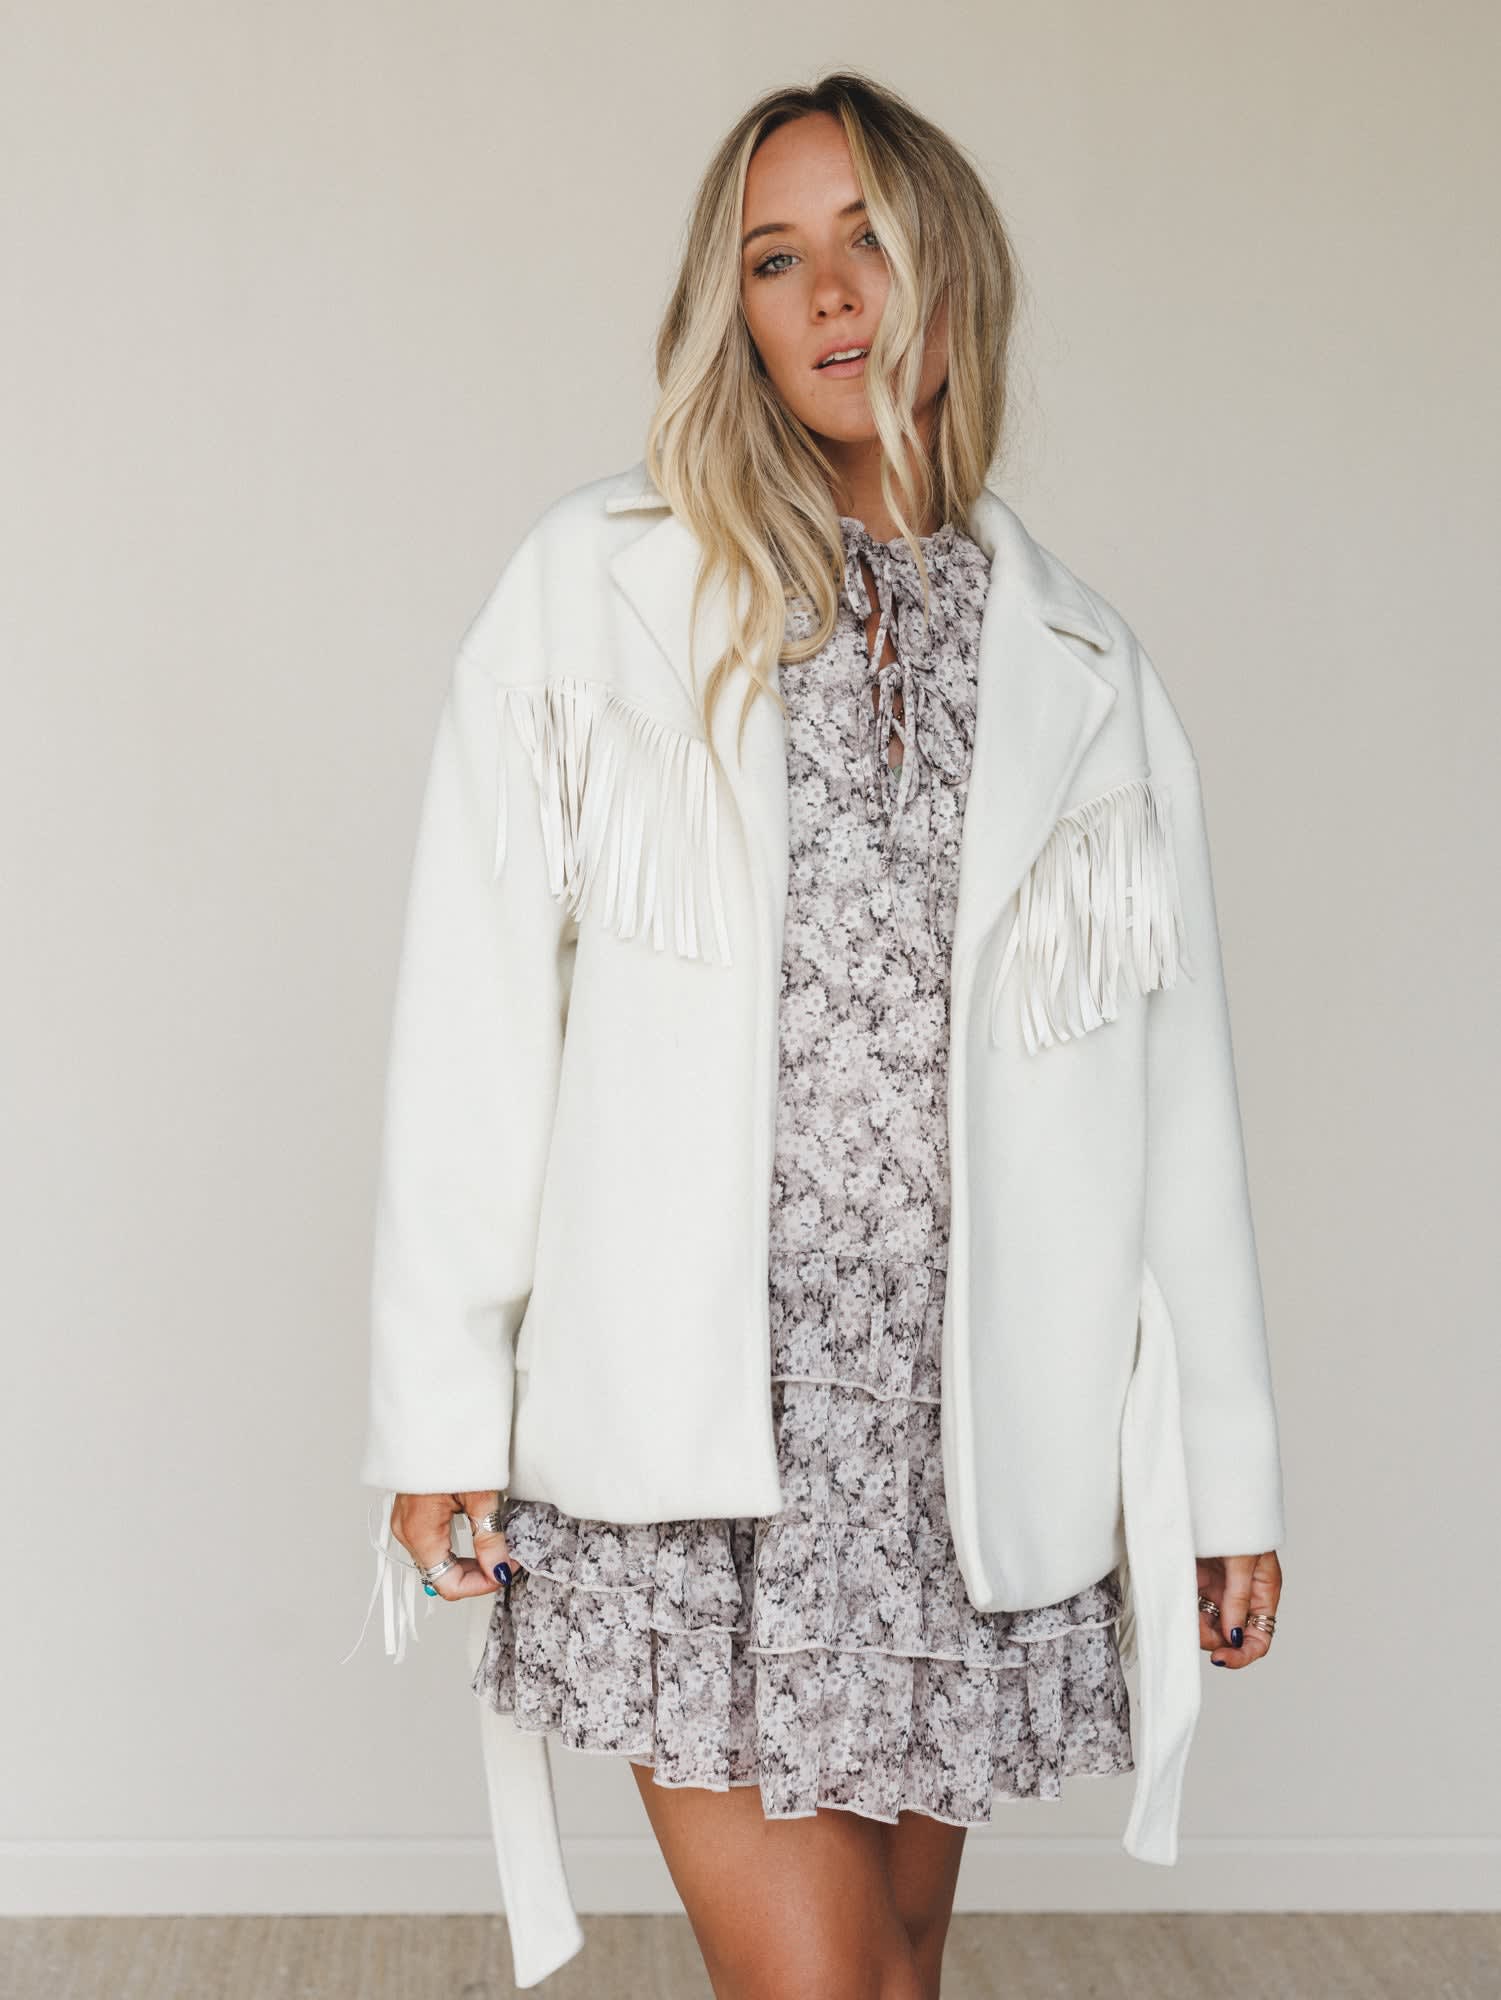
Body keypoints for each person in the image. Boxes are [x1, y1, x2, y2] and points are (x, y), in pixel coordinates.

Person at [345, 70, 1286, 1997]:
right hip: (695, 1439)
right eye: (775, 260)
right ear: (737, 310)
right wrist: (439, 1409)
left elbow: (1172, 1103)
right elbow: (474, 1020)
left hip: (959, 1446)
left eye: (867, 239)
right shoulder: (595, 593)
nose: (831, 294)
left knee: (895, 1974)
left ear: (954, 270)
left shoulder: (1084, 667)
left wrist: (1222, 1475)